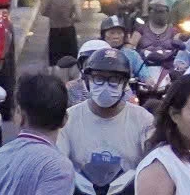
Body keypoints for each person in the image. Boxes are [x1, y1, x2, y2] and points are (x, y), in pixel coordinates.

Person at [62, 46, 151, 175]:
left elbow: (152, 162)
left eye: (114, 80)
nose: (105, 86)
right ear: (87, 81)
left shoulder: (143, 119)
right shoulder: (68, 119)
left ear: (124, 83)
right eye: (98, 78)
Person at [40, 0, 81, 72]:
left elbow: (43, 12)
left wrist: (53, 16)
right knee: (71, 61)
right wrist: (70, 19)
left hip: (54, 30)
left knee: (55, 61)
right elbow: (79, 17)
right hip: (69, 30)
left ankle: (56, 82)